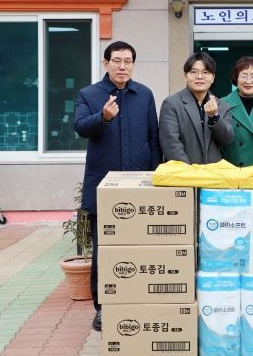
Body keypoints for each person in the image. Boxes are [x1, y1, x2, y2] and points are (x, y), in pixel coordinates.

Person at [74, 40, 162, 332]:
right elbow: (80, 128)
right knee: (105, 249)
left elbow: (153, 138)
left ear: (133, 65)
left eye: (128, 61)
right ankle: (103, 308)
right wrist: (103, 117)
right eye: (117, 61)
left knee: (140, 248)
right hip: (104, 185)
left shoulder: (144, 94)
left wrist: (155, 177)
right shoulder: (89, 94)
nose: (122, 66)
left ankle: (137, 300)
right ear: (106, 63)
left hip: (140, 183)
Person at [159, 52, 234, 163]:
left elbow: (227, 140)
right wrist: (189, 171)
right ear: (185, 76)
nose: (199, 76)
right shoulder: (171, 104)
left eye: (205, 72)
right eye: (194, 72)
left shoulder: (223, 106)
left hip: (213, 172)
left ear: (213, 77)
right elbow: (171, 144)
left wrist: (214, 117)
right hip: (183, 172)